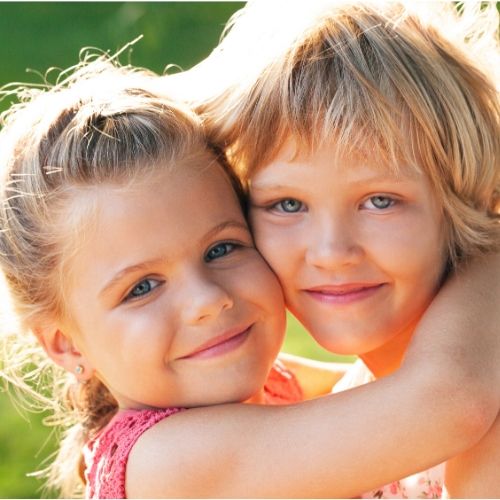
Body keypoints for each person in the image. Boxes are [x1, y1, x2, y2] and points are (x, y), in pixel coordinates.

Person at [0, 59, 498, 500]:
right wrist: (487, 239)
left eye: (222, 249)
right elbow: (449, 399)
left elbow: (376, 380)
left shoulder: (266, 387)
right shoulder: (166, 463)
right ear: (66, 344)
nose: (207, 301)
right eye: (142, 287)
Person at [173, 0, 500, 497]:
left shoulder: (478, 421)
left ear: (471, 197)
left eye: (380, 201)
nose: (331, 251)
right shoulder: (362, 398)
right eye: (286, 204)